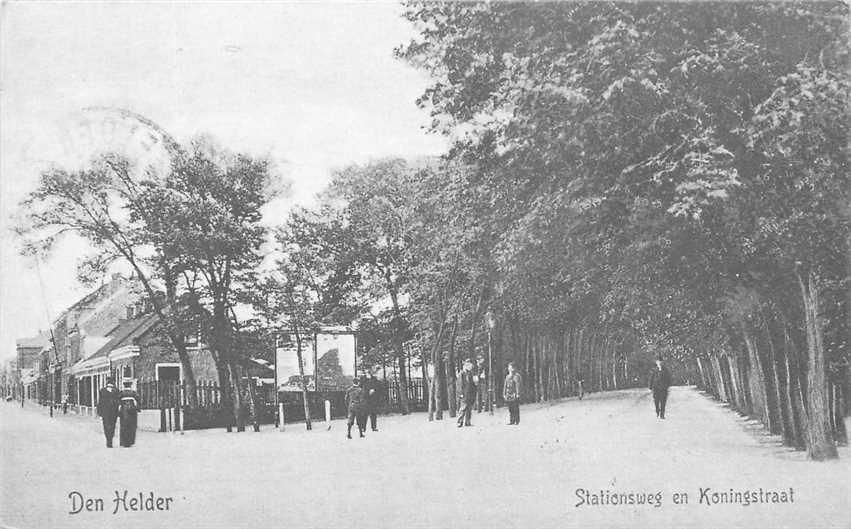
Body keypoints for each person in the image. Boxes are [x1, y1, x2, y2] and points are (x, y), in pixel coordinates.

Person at [96, 377, 121, 448]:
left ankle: (108, 440)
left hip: (105, 412)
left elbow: (99, 402)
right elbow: (118, 402)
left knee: (106, 425)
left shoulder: (102, 391)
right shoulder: (116, 391)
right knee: (112, 425)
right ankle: (110, 439)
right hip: (114, 412)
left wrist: (99, 412)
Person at [118, 379, 140, 447]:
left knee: (123, 426)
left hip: (123, 411)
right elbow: (138, 401)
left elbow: (118, 402)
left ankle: (124, 442)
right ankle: (131, 441)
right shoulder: (133, 393)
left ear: (124, 386)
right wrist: (138, 409)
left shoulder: (121, 393)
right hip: (132, 411)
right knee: (132, 426)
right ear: (130, 385)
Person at [456, 359, 476, 428]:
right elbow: (459, 384)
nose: (471, 367)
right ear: (466, 365)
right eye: (470, 365)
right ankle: (459, 422)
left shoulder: (470, 374)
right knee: (463, 408)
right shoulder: (461, 373)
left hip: (470, 394)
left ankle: (468, 422)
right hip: (464, 394)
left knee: (469, 409)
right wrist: (460, 393)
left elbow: (472, 384)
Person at [363, 368, 383, 432]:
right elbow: (360, 388)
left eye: (368, 371)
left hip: (373, 399)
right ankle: (363, 428)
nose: (367, 372)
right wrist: (366, 392)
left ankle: (374, 427)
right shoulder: (362, 379)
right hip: (365, 399)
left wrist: (374, 389)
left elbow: (378, 386)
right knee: (364, 414)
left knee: (373, 413)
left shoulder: (374, 379)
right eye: (366, 371)